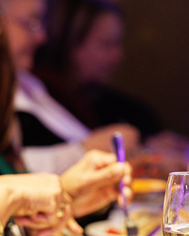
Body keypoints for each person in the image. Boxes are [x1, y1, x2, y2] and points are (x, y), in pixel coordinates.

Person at [0, 0, 140, 175]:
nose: (41, 36)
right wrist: (85, 151)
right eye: (30, 23)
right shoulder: (50, 85)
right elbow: (13, 168)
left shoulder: (30, 84)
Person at [34, 0, 162, 140]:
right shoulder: (38, 101)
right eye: (107, 44)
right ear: (71, 43)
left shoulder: (133, 113)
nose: (118, 56)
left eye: (118, 44)